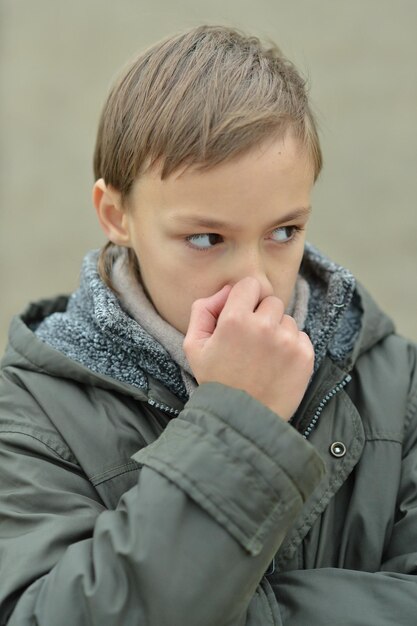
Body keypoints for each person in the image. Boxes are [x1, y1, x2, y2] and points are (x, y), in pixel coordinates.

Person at [0, 24, 416, 626]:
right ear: (116, 216)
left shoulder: (395, 382)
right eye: (205, 238)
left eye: (284, 232)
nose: (254, 281)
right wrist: (237, 415)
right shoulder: (32, 414)